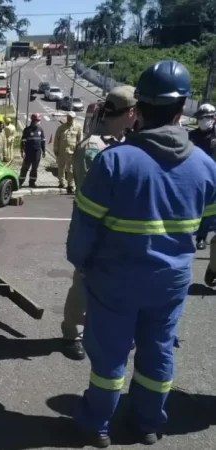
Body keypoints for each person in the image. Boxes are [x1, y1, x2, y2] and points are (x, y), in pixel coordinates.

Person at [67, 60, 216, 448]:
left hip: (116, 279)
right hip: (171, 281)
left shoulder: (115, 161)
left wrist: (81, 263)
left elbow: (85, 226)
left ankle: (97, 424)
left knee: (110, 355)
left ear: (141, 108)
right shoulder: (205, 166)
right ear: (182, 107)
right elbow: (207, 225)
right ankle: (147, 423)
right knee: (158, 350)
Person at [60, 86, 137, 361]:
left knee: (117, 285)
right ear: (129, 113)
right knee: (84, 283)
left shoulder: (127, 142)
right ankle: (73, 334)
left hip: (120, 232)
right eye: (135, 111)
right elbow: (92, 195)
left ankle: (105, 331)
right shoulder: (94, 147)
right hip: (94, 230)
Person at [189, 103, 216, 250]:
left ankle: (201, 238)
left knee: (209, 211)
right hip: (195, 177)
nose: (202, 121)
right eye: (200, 118)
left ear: (213, 118)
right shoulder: (191, 136)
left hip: (214, 177)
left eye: (205, 118)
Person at [53, 111, 83, 194]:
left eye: (71, 117)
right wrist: (55, 149)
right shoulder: (61, 127)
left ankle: (70, 185)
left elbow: (80, 140)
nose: (69, 118)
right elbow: (56, 139)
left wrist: (79, 151)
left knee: (70, 170)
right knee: (60, 167)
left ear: (74, 118)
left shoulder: (78, 127)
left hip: (71, 152)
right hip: (61, 151)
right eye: (68, 117)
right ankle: (61, 182)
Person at [19, 113, 46, 187]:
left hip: (37, 152)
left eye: (38, 120)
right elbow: (23, 141)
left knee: (34, 168)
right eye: (36, 120)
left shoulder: (40, 130)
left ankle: (32, 182)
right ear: (33, 121)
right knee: (25, 167)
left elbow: (43, 141)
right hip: (28, 152)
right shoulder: (27, 130)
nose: (37, 122)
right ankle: (20, 182)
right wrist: (22, 151)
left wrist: (44, 151)